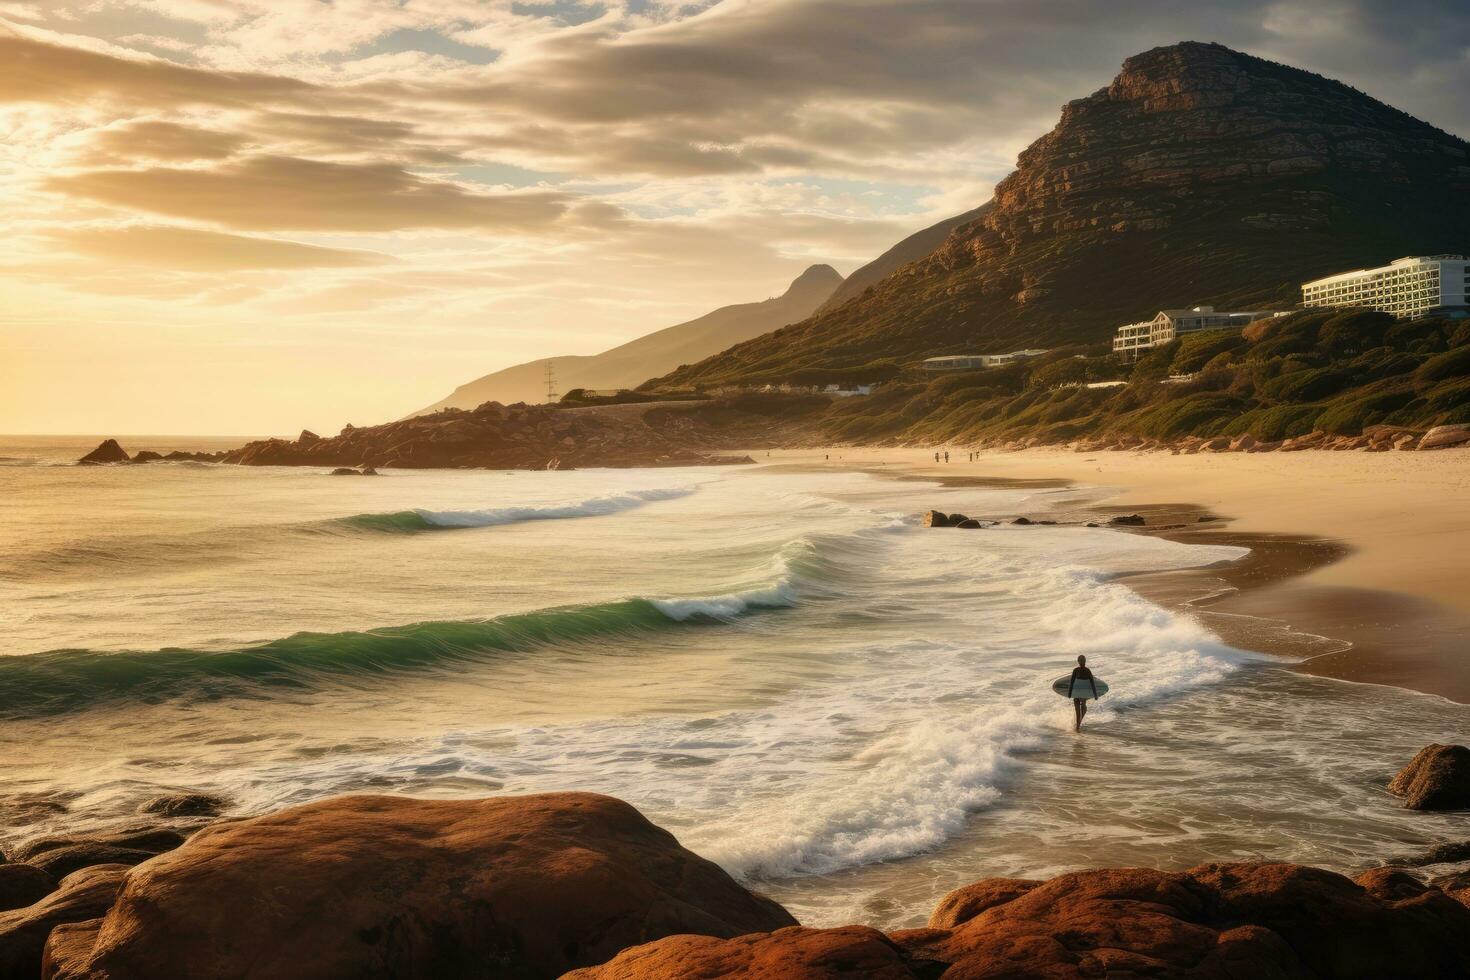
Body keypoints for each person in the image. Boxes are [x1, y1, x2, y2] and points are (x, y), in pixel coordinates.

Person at [1067, 655, 1100, 732]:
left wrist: (1095, 695)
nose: (1082, 662)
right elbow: (1071, 682)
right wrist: (1069, 693)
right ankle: (1077, 728)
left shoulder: (1088, 671)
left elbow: (1092, 683)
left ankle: (1077, 725)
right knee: (1078, 712)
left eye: (1083, 660)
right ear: (1078, 662)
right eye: (1081, 661)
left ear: (1085, 661)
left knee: (1084, 709)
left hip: (1083, 695)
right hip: (1077, 694)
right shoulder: (1075, 670)